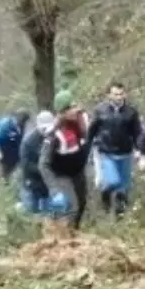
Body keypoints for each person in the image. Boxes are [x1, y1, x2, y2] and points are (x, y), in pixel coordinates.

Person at [85, 82, 142, 216]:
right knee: (112, 181)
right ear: (109, 95)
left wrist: (139, 149)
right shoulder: (100, 110)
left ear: (125, 94)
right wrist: (87, 152)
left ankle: (119, 216)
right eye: (115, 94)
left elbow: (137, 133)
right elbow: (91, 132)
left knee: (123, 187)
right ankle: (105, 197)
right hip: (106, 152)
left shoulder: (131, 112)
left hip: (125, 153)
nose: (119, 97)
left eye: (121, 94)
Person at [39, 91, 92, 229]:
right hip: (61, 174)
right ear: (62, 113)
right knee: (71, 207)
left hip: (77, 171)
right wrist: (54, 188)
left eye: (74, 106)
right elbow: (43, 164)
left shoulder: (81, 122)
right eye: (69, 109)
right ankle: (62, 237)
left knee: (82, 203)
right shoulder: (54, 135)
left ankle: (74, 232)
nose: (74, 110)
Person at [19, 111, 57, 214]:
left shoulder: (54, 137)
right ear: (38, 126)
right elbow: (25, 164)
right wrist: (42, 169)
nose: (46, 131)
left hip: (47, 184)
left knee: (48, 212)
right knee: (31, 210)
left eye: (48, 127)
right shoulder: (28, 141)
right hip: (31, 182)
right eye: (43, 128)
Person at [0, 110, 30, 182]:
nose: (25, 123)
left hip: (16, 153)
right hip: (4, 153)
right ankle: (5, 185)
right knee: (6, 173)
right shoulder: (6, 126)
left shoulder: (21, 126)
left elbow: (20, 138)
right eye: (24, 121)